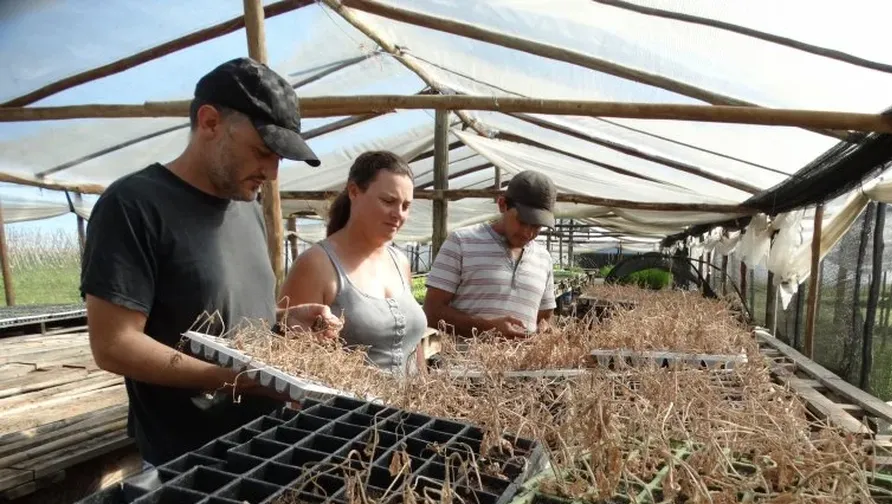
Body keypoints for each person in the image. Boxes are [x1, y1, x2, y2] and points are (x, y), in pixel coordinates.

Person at [81, 57, 337, 467]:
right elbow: (114, 345)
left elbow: (222, 313)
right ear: (210, 122)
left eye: (279, 159)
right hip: (189, 461)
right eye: (262, 151)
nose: (271, 172)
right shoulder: (134, 206)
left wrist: (283, 320)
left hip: (265, 444)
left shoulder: (247, 207)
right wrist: (237, 380)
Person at [278, 151, 428, 376]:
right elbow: (291, 359)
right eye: (388, 201)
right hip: (348, 408)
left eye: (406, 206)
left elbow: (415, 349)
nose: (398, 214)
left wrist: (428, 394)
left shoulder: (400, 262)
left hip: (411, 408)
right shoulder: (317, 265)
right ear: (354, 191)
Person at [423, 170, 557, 339]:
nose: (528, 233)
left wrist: (545, 330)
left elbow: (544, 318)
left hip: (525, 365)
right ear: (502, 204)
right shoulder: (461, 242)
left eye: (537, 226)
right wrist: (487, 328)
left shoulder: (543, 258)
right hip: (465, 364)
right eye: (522, 222)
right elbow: (431, 312)